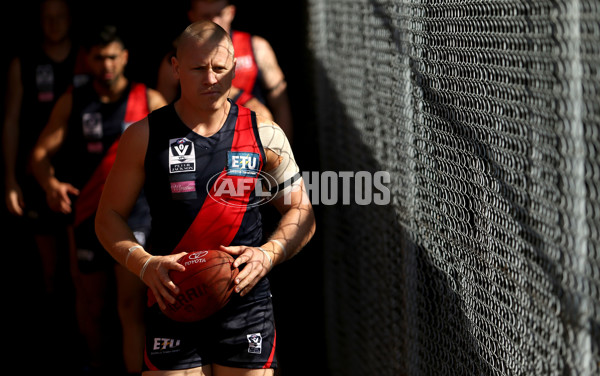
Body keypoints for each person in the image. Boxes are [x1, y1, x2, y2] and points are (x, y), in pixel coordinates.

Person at [95, 21, 315, 375]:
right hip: (172, 296)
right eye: (198, 68)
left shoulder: (265, 133)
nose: (210, 78)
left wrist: (267, 255)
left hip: (245, 299)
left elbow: (301, 211)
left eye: (220, 68)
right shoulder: (144, 136)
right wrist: (144, 264)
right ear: (176, 67)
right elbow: (108, 217)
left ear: (234, 69)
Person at [29, 24, 167, 375]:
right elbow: (40, 153)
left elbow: (181, 154)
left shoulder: (148, 99)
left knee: (129, 307)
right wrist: (50, 184)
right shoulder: (74, 100)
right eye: (98, 57)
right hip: (88, 214)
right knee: (92, 306)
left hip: (136, 219)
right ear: (87, 60)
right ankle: (95, 364)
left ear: (124, 57)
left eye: (111, 56)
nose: (106, 64)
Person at [1, 0, 88, 369]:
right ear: (39, 21)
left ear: (70, 18)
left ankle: (88, 348)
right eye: (46, 17)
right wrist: (9, 180)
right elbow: (12, 120)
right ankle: (52, 345)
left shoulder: (89, 60)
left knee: (81, 271)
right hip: (37, 176)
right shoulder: (24, 62)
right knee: (49, 271)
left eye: (60, 16)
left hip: (82, 181)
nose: (54, 23)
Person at [156, 0, 292, 140]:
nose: (214, 21)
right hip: (199, 142)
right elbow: (160, 111)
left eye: (219, 14)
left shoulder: (257, 48)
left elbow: (280, 104)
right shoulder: (177, 58)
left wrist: (281, 148)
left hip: (252, 137)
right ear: (192, 16)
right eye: (206, 16)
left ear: (231, 13)